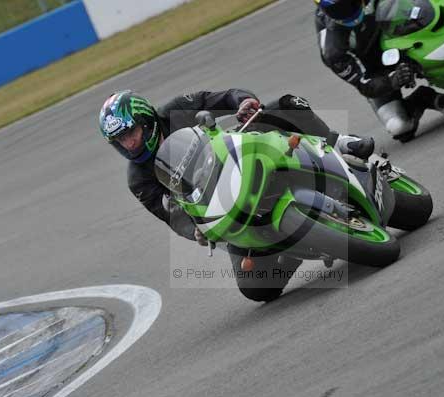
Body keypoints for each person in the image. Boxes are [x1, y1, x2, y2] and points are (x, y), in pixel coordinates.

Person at [98, 89, 375, 301]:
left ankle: (341, 143)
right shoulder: (139, 180)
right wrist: (195, 228)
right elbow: (173, 217)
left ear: (147, 121)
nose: (129, 143)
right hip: (224, 208)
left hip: (239, 158)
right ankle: (289, 248)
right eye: (120, 140)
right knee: (255, 288)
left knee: (286, 104)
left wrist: (245, 102)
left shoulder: (177, 109)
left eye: (131, 133)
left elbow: (226, 96)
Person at [314, 0, 444, 142]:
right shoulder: (332, 51)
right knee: (399, 127)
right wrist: (393, 80)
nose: (346, 11)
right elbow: (364, 84)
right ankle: (423, 98)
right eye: (336, 9)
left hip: (402, 33)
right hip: (374, 67)